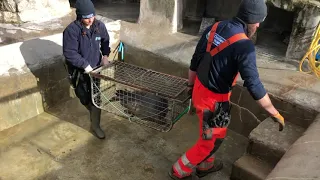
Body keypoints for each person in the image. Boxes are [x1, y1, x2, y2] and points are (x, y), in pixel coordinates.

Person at [169, 0, 285, 179]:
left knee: (209, 134)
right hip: (214, 103)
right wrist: (274, 112)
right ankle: (179, 170)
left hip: (199, 88)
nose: (258, 25)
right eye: (258, 21)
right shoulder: (244, 46)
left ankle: (206, 165)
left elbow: (195, 60)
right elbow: (253, 83)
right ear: (252, 21)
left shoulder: (215, 28)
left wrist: (190, 86)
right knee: (210, 142)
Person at [62, 0, 111, 139]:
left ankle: (96, 125)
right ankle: (91, 108)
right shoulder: (71, 31)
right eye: (86, 17)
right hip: (79, 71)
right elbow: (70, 53)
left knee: (96, 97)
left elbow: (105, 41)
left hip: (96, 68)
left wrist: (105, 56)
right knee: (83, 96)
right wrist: (84, 65)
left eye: (92, 16)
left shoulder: (99, 26)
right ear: (79, 16)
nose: (90, 20)